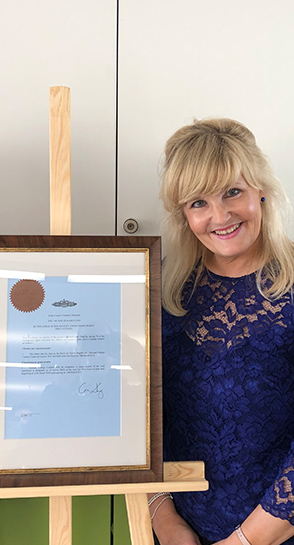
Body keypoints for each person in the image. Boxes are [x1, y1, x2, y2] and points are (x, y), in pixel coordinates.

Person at [151, 118, 294, 545]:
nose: (220, 216)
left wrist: (245, 542)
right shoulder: (160, 290)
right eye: (199, 202)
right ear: (183, 214)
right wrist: (166, 522)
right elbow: (132, 419)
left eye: (233, 192)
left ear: (261, 190)